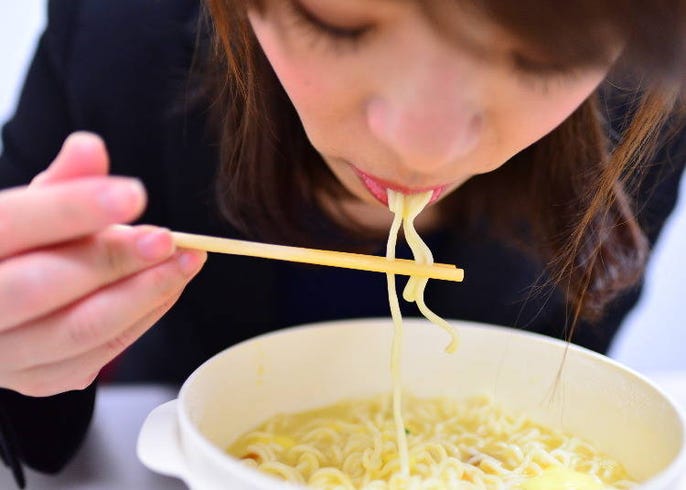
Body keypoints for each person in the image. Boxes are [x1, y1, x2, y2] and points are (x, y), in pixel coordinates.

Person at [0, 0, 684, 487]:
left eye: (545, 54)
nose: (422, 147)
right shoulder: (119, 35)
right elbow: (41, 439)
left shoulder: (648, 93)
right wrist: (26, 346)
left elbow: (569, 395)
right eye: (341, 21)